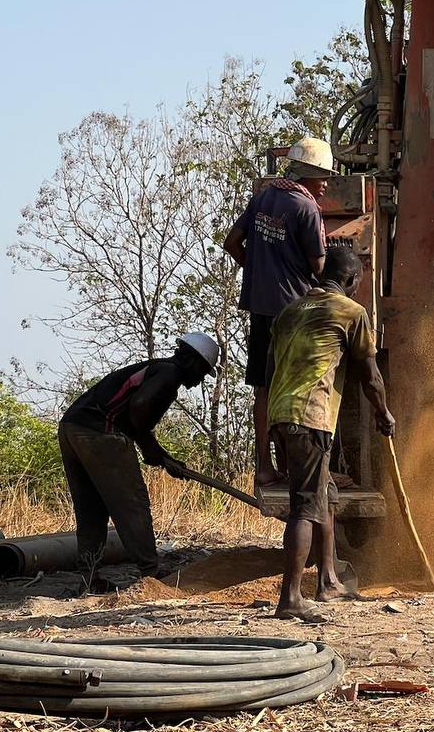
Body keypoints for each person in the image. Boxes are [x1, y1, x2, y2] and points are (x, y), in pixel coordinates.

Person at [267, 247, 395, 622]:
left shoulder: (289, 312)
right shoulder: (351, 312)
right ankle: (290, 598)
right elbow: (370, 375)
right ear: (353, 281)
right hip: (310, 415)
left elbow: (275, 366)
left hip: (280, 412)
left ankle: (328, 581)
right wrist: (384, 413)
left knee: (327, 495)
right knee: (306, 506)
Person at [58, 332, 219, 589]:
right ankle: (151, 572)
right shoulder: (169, 375)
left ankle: (89, 579)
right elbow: (139, 410)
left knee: (91, 509)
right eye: (203, 372)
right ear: (192, 361)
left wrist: (159, 454)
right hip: (102, 432)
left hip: (72, 427)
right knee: (132, 504)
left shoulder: (155, 368)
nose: (199, 380)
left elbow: (136, 419)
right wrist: (153, 449)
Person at [224, 137, 334, 487]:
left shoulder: (264, 197)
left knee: (264, 389)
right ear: (307, 174)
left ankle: (265, 468)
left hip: (260, 308)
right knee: (301, 389)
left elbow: (231, 241)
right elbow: (319, 265)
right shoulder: (306, 207)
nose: (326, 184)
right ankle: (301, 470)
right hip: (294, 314)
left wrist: (256, 270)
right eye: (322, 177)